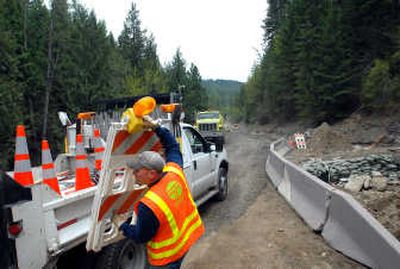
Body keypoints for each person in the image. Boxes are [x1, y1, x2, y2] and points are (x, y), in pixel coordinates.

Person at [119, 121, 205, 269]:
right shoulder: (174, 171)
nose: (133, 174)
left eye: (137, 171)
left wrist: (122, 225)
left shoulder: (149, 205)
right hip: (185, 243)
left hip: (166, 259)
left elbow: (141, 236)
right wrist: (157, 128)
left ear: (152, 173)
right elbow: (172, 147)